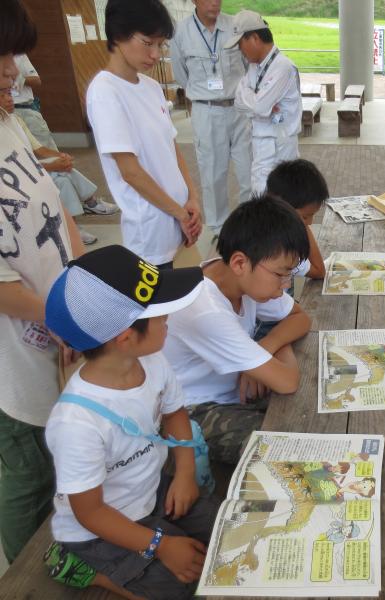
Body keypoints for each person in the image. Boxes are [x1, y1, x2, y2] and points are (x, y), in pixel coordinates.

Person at [44, 244, 220, 598]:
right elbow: (91, 513)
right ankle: (86, 570)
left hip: (149, 491)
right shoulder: (76, 422)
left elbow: (174, 413)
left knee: (228, 527)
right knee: (180, 587)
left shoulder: (153, 361)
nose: (169, 319)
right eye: (161, 315)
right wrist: (161, 545)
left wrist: (184, 473)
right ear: (125, 338)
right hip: (96, 531)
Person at [0, 0, 85, 564]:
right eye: (1, 57)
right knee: (27, 476)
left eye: (11, 54)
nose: (13, 70)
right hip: (17, 362)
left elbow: (55, 209)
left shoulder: (7, 120)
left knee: (67, 458)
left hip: (61, 329)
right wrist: (63, 321)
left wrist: (83, 294)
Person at [162, 195, 311, 465]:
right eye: (280, 274)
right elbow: (287, 381)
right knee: (284, 448)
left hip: (235, 391)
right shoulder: (206, 309)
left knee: (312, 403)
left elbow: (301, 318)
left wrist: (267, 345)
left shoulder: (239, 279)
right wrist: (269, 352)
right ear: (240, 263)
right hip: (190, 411)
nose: (285, 285)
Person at [86, 0, 202, 268]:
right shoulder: (105, 92)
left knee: (186, 298)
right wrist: (179, 213)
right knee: (157, 305)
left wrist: (191, 198)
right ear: (117, 35)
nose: (156, 54)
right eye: (147, 42)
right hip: (151, 229)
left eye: (160, 44)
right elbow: (131, 172)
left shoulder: (151, 87)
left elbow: (171, 150)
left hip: (179, 217)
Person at [171, 0, 252, 236]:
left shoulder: (234, 26)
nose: (215, 2)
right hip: (206, 111)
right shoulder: (181, 32)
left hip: (238, 109)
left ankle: (250, 225)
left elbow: (248, 65)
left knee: (248, 172)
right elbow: (180, 75)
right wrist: (205, 95)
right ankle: (219, 229)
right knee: (212, 174)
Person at [1, 92, 119, 246]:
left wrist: (61, 156)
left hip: (31, 168)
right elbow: (15, 166)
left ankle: (86, 208)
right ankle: (77, 222)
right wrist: (51, 165)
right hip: (16, 179)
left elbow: (39, 150)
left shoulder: (16, 120)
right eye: (2, 95)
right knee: (61, 179)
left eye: (9, 93)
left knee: (63, 168)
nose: (10, 98)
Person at [226, 10, 301, 193]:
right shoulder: (254, 66)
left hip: (279, 147)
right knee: (261, 197)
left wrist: (254, 100)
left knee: (280, 200)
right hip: (260, 144)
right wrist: (257, 101)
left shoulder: (283, 67)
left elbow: (259, 106)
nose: (240, 51)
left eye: (240, 44)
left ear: (254, 38)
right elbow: (239, 101)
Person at [266, 159, 327, 280]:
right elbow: (319, 270)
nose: (310, 222)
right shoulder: (278, 245)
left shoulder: (273, 222)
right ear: (281, 206)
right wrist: (302, 225)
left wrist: (301, 220)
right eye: (305, 216)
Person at [11, 53, 56, 150]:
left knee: (47, 150)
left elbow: (36, 81)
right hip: (4, 114)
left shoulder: (18, 55)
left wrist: (17, 79)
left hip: (26, 109)